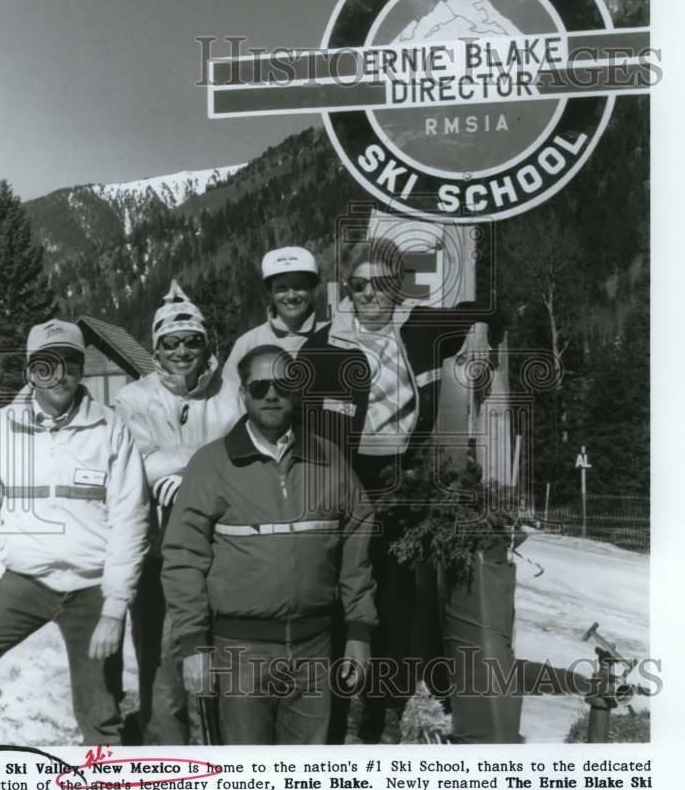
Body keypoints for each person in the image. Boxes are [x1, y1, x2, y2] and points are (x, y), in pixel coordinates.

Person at [296, 236, 501, 742]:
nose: (368, 294)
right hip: (343, 483)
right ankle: (336, 723)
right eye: (358, 284)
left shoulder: (420, 331)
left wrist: (482, 337)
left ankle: (384, 720)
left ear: (397, 288)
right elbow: (300, 423)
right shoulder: (323, 345)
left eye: (380, 284)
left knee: (396, 607)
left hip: (402, 485)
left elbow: (491, 309)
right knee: (343, 601)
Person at [161, 345, 377, 745]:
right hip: (240, 653)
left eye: (283, 385)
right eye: (260, 387)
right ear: (243, 394)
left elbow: (357, 552)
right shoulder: (211, 465)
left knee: (306, 782)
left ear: (296, 391)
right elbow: (182, 559)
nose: (272, 395)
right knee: (247, 782)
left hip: (315, 650)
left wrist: (359, 633)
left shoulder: (329, 462)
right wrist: (193, 644)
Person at [0, 320, 149, 746]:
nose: (60, 375)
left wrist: (115, 608)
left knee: (101, 715)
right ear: (30, 371)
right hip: (24, 583)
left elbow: (131, 520)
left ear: (82, 368)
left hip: (92, 588)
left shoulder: (110, 428)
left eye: (70, 363)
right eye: (47, 365)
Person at [115, 281, 239, 743]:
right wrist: (206, 464)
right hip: (158, 558)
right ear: (156, 346)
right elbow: (138, 463)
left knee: (218, 666)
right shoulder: (133, 398)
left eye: (193, 340)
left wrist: (178, 464)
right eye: (171, 342)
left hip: (223, 550)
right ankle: (164, 765)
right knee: (162, 672)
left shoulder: (231, 392)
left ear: (207, 343)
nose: (182, 350)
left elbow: (240, 457)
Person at [221, 246, 326, 392]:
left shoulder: (334, 337)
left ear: (311, 289)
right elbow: (230, 398)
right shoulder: (248, 343)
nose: (291, 296)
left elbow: (351, 397)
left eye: (299, 287)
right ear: (270, 292)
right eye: (281, 288)